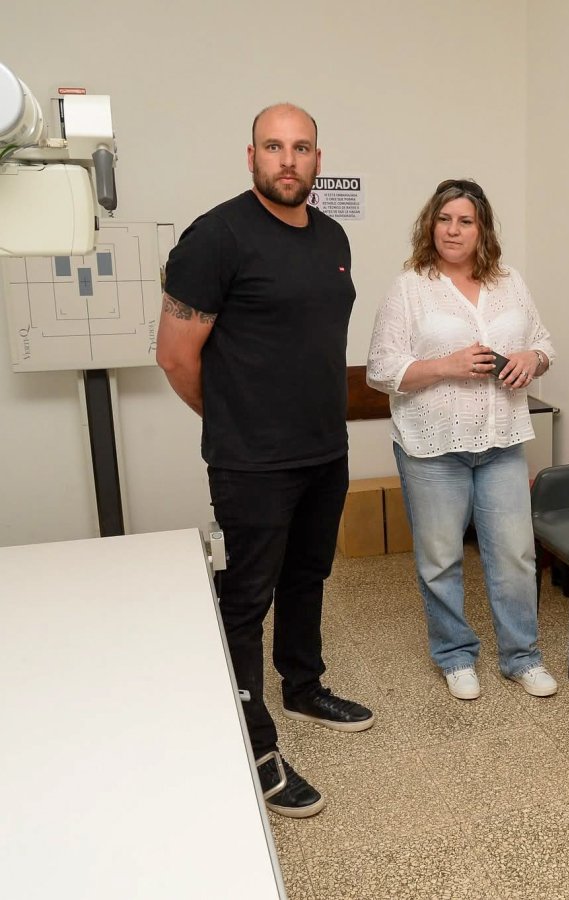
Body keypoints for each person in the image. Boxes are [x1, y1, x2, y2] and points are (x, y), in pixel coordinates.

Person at [157, 103, 374, 819]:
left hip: (325, 449)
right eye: (274, 147)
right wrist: (238, 424)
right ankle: (254, 745)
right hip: (252, 462)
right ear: (250, 156)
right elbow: (176, 356)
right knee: (247, 600)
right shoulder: (216, 237)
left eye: (301, 147)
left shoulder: (332, 235)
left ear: (318, 159)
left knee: (309, 575)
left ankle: (302, 686)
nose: (288, 159)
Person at [366, 179, 558, 701]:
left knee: (515, 556)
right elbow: (380, 369)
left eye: (465, 221)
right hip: (431, 448)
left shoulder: (509, 282)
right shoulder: (410, 286)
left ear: (482, 229)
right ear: (430, 225)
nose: (453, 230)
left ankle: (522, 657)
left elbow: (543, 343)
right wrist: (445, 365)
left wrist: (532, 359)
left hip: (501, 440)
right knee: (440, 560)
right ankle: (455, 655)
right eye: (444, 219)